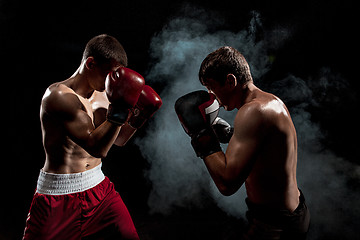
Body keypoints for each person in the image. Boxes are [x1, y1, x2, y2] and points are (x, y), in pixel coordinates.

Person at [23, 34, 162, 240]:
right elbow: (96, 147)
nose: (110, 82)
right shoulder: (58, 96)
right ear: (90, 63)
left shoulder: (105, 95)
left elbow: (119, 140)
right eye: (108, 74)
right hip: (58, 197)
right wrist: (121, 109)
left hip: (99, 190)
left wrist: (139, 116)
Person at [175, 46, 310, 239]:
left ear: (230, 81)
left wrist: (201, 135)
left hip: (276, 225)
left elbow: (226, 184)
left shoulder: (253, 112)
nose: (212, 96)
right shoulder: (270, 102)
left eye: (212, 87)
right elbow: (267, 152)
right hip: (289, 213)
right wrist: (230, 135)